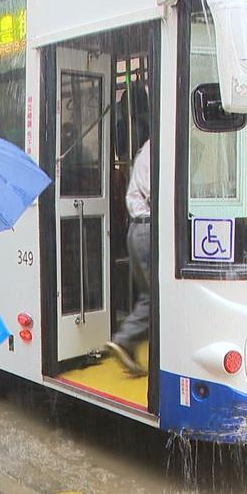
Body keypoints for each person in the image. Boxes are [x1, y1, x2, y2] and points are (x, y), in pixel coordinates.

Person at [105, 138, 152, 376]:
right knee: (157, 297)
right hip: (149, 228)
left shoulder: (147, 148)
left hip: (136, 229)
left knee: (148, 295)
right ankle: (125, 340)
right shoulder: (162, 147)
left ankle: (129, 348)